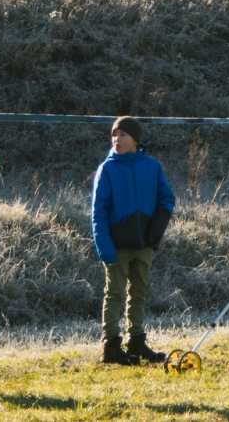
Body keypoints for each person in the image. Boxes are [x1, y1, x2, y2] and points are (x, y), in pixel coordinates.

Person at [91, 116, 175, 366]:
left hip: (144, 245)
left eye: (123, 134)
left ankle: (136, 341)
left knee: (138, 293)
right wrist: (104, 247)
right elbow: (98, 212)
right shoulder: (107, 169)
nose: (117, 139)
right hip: (116, 246)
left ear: (135, 139)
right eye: (114, 134)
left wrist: (155, 233)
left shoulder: (152, 166)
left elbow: (167, 200)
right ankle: (111, 346)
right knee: (114, 294)